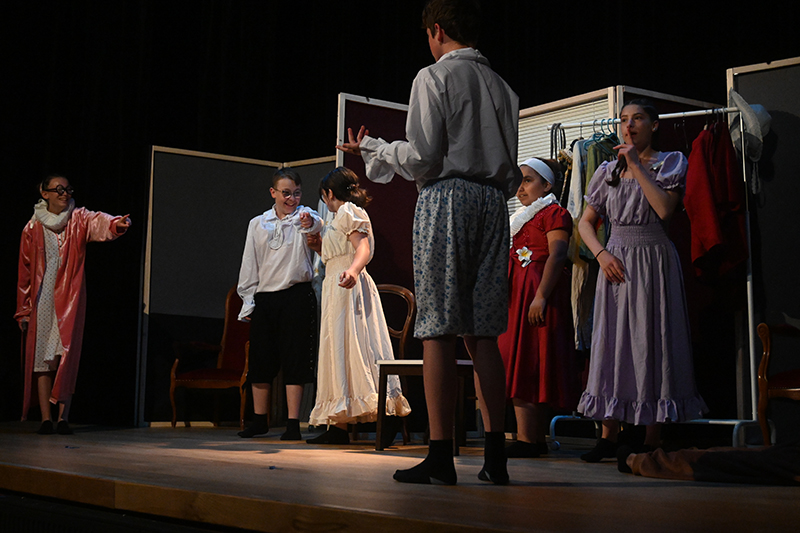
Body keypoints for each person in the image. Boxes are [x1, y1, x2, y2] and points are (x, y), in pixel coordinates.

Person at [337, 0, 520, 484]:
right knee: (482, 332)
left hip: (449, 199)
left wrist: (374, 148)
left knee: (438, 328)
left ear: (437, 30)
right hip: (492, 204)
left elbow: (421, 156)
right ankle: (496, 457)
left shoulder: (434, 77)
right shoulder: (504, 89)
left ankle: (441, 456)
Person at [576, 99, 707, 462]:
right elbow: (585, 223)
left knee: (652, 338)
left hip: (653, 260)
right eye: (623, 120)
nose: (629, 125)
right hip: (616, 259)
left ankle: (652, 434)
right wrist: (601, 254)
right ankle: (608, 433)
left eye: (637, 118)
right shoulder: (607, 170)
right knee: (613, 341)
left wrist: (635, 163)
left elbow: (664, 209)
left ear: (654, 124)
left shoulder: (670, 162)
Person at [15, 174, 131, 435]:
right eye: (58, 189)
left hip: (69, 298)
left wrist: (116, 223)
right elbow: (24, 272)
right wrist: (23, 310)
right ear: (44, 193)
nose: (64, 194)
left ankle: (64, 418)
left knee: (66, 356)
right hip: (42, 299)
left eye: (67, 189)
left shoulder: (77, 219)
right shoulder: (32, 228)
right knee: (42, 361)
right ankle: (46, 419)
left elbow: (98, 220)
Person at [305, 167, 411, 445]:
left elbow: (362, 248)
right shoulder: (338, 217)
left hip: (348, 288)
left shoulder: (349, 211)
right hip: (335, 288)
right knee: (339, 349)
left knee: (359, 348)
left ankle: (386, 416)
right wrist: (319, 247)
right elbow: (338, 253)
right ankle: (339, 426)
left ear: (329, 193)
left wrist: (353, 271)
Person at [497, 158, 580, 458]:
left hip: (535, 293)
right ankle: (530, 437)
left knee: (532, 361)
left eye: (528, 180)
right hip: (518, 294)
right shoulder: (521, 218)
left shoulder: (554, 213)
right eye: (519, 181)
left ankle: (529, 440)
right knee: (519, 361)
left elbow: (557, 255)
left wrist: (541, 296)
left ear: (547, 185)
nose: (521, 187)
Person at [236, 167, 322, 441]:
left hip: (296, 296)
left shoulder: (304, 216)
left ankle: (293, 423)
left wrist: (309, 222)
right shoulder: (258, 223)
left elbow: (318, 224)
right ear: (273, 192)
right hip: (266, 298)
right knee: (261, 360)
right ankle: (259, 420)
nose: (291, 199)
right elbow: (250, 263)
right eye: (286, 193)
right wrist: (248, 301)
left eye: (296, 193)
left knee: (295, 359)